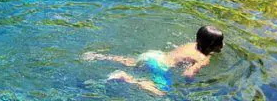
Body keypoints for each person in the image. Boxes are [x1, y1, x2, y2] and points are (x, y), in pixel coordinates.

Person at [82, 26, 225, 97]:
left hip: (153, 55)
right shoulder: (203, 58)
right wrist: (188, 85)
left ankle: (99, 56)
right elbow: (188, 74)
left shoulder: (191, 44)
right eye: (220, 43)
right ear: (211, 45)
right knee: (161, 92)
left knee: (133, 62)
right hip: (159, 67)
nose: (223, 45)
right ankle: (126, 78)